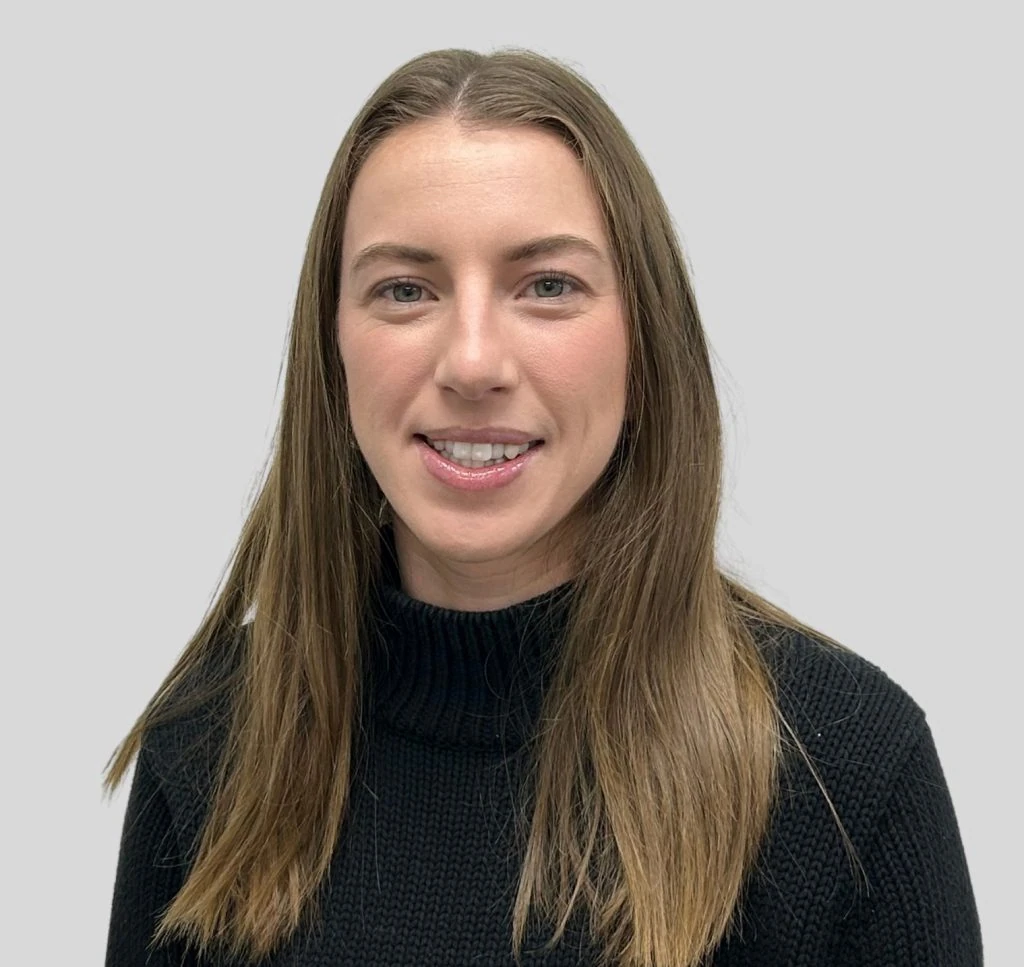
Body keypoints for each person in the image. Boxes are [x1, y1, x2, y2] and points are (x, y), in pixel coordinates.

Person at [103, 47, 982, 967]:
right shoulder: (209, 748)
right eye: (405, 289)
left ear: (645, 349)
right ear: (333, 357)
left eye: (547, 286)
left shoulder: (845, 772)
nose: (473, 361)